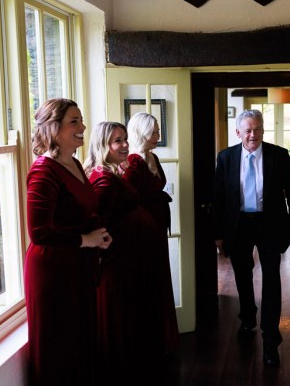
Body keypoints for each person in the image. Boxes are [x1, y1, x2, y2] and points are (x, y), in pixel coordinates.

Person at [24, 98, 112, 385]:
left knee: (80, 338)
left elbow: (80, 208)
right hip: (53, 269)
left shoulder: (73, 162)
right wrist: (85, 240)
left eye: (81, 120)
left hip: (77, 264)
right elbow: (38, 232)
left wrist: (97, 233)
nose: (83, 127)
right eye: (74, 121)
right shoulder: (43, 170)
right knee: (60, 342)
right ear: (53, 127)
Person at [212, 109, 290, 367]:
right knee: (242, 274)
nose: (253, 134)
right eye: (248, 130)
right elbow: (218, 198)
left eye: (257, 129)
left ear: (263, 130)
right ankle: (248, 318)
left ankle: (271, 339)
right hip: (239, 223)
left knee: (272, 280)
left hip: (269, 223)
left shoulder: (278, 155)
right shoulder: (226, 157)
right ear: (238, 132)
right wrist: (218, 233)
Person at [84, 121, 171, 380]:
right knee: (121, 316)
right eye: (117, 141)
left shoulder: (115, 172)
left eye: (124, 139)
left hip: (131, 256)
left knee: (132, 313)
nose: (124, 145)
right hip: (120, 259)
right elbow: (100, 222)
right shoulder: (103, 178)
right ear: (103, 145)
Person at [122, 112, 180, 353]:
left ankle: (163, 336)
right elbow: (128, 199)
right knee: (148, 277)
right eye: (154, 131)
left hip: (157, 226)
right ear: (142, 132)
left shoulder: (153, 157)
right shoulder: (134, 161)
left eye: (158, 131)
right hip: (143, 229)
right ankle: (150, 340)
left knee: (160, 274)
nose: (158, 135)